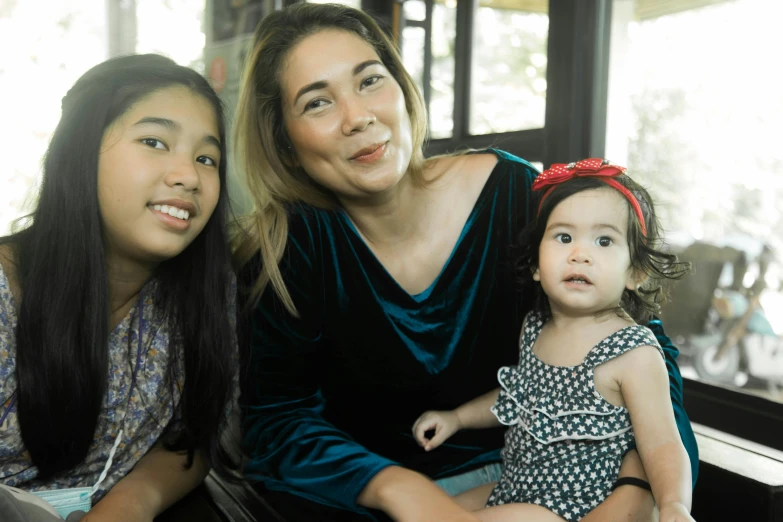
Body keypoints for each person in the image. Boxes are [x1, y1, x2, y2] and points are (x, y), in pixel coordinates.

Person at [233, 4, 698, 521]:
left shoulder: (515, 194)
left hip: (543, 483)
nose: (358, 117)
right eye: (318, 102)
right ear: (286, 143)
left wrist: (638, 486)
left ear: (403, 90)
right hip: (372, 498)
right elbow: (277, 420)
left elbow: (640, 344)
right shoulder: (287, 246)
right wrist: (398, 490)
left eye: (370, 81)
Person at [0, 54, 237, 521]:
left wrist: (132, 503)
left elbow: (191, 440)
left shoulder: (206, 290)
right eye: (154, 141)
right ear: (80, 151)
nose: (188, 176)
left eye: (207, 158)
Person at [412, 160, 694, 522]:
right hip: (515, 486)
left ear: (634, 272)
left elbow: (663, 443)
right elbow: (519, 395)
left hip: (573, 508)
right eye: (564, 237)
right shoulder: (536, 326)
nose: (580, 253)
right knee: (422, 509)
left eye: (604, 240)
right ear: (535, 264)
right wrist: (456, 418)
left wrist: (673, 505)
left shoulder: (632, 351)